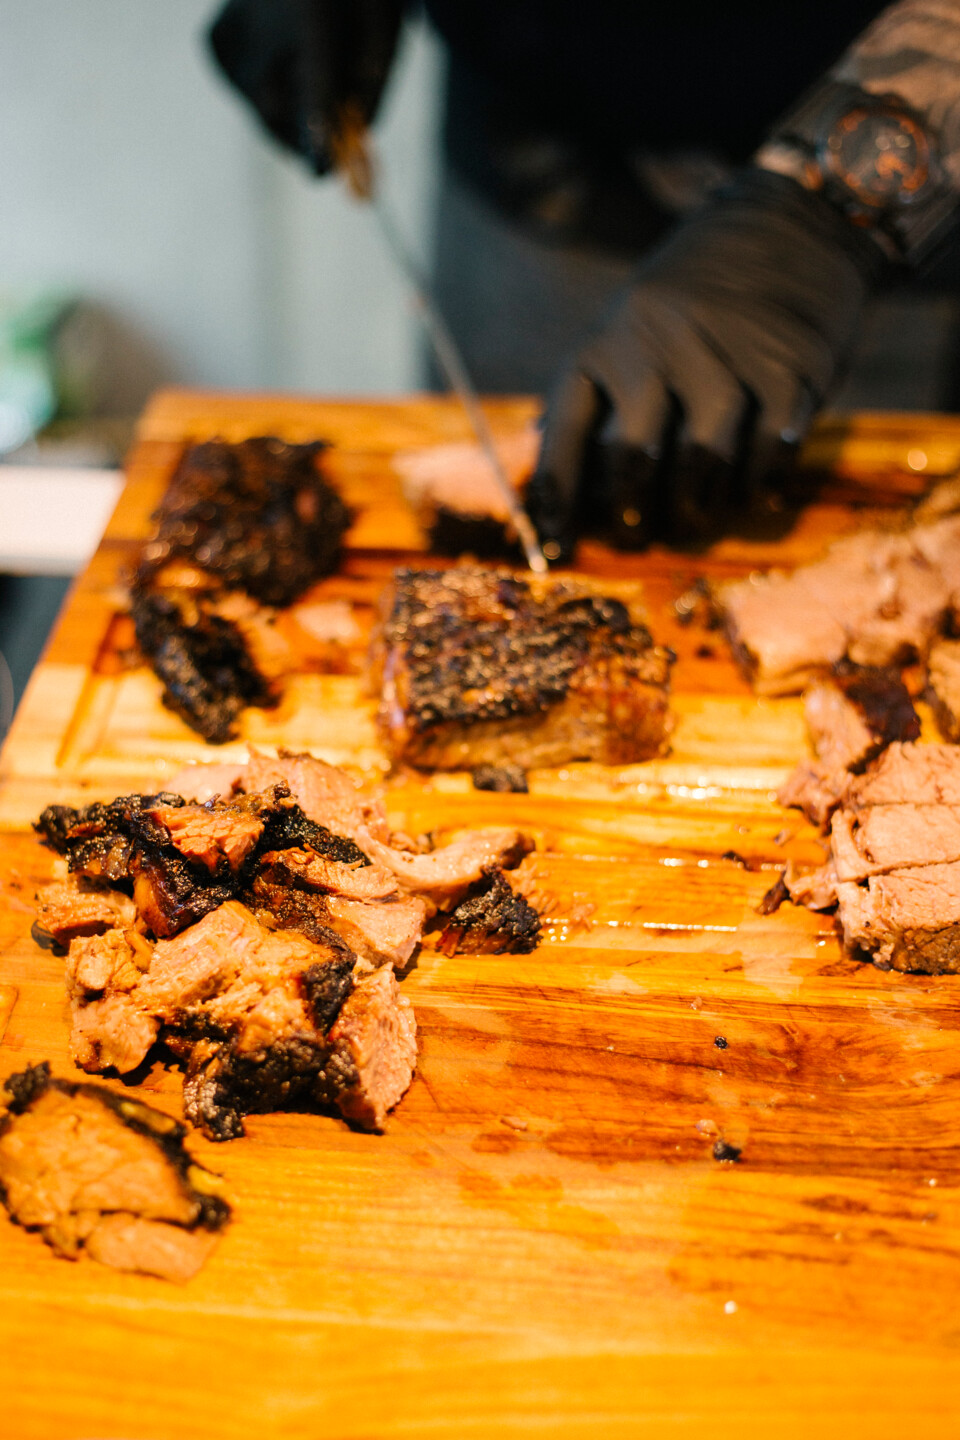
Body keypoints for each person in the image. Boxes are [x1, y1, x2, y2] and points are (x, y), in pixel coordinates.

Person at [207, 1, 960, 557]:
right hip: (532, 148)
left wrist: (837, 201)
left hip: (884, 220)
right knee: (490, 523)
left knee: (874, 557)